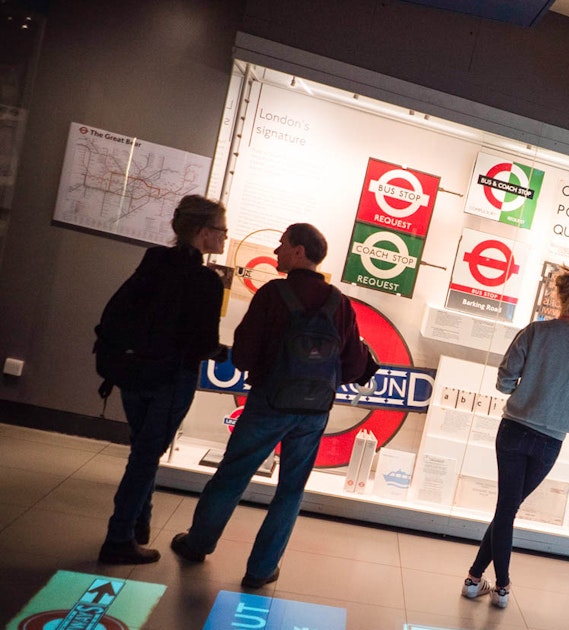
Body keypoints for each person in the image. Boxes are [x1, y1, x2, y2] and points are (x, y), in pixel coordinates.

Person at [169, 223, 377, 588]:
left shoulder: (273, 294)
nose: (277, 251)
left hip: (269, 402)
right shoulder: (338, 302)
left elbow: (244, 356)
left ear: (299, 252)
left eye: (282, 245)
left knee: (233, 476)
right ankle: (262, 570)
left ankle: (198, 543)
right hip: (313, 412)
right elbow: (353, 366)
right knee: (291, 490)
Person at [463, 266, 569, 608]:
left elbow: (504, 381)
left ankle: (474, 579)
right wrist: (562, 402)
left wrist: (523, 389)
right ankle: (501, 585)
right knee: (508, 508)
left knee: (506, 509)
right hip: (550, 440)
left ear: (557, 295)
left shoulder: (535, 332)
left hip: (513, 428)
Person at [98, 195, 226, 565]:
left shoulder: (154, 260)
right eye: (220, 230)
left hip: (132, 372)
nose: (223, 237)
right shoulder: (205, 280)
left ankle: (139, 525)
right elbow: (202, 343)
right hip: (171, 379)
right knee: (145, 456)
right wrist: (220, 352)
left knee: (143, 449)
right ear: (203, 233)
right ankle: (118, 537)